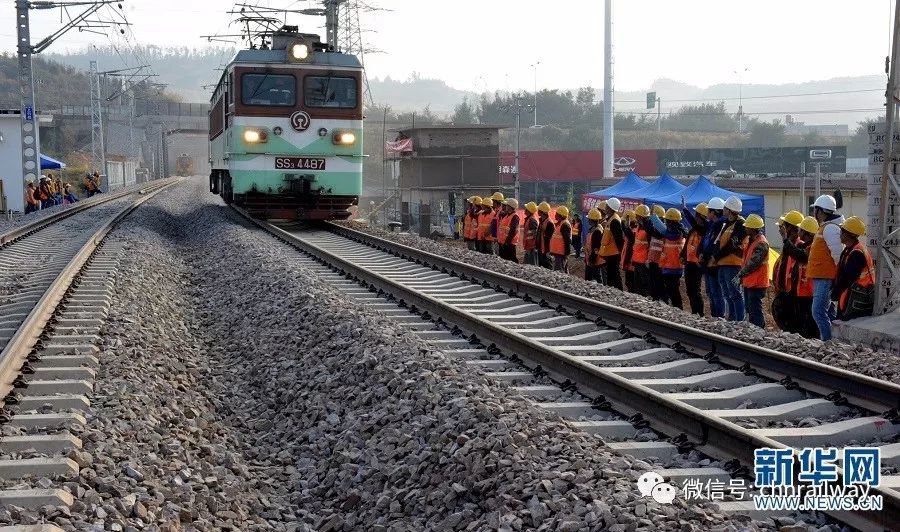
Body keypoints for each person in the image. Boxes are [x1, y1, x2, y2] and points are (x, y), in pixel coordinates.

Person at [807, 194, 845, 340]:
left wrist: (837, 279)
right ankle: (833, 341)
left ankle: (827, 342)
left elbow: (837, 256)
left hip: (825, 277)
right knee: (828, 312)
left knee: (818, 311)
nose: (814, 213)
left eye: (815, 210)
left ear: (821, 211)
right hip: (822, 276)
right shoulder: (826, 227)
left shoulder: (830, 229)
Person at [832, 216, 875, 321]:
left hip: (856, 297)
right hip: (854, 295)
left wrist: (834, 292)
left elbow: (847, 278)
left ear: (849, 234)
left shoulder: (856, 253)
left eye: (842, 230)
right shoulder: (850, 250)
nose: (840, 233)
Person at [771, 211, 805, 333]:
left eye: (784, 226)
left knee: (794, 324)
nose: (781, 230)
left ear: (791, 228)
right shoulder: (788, 246)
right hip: (785, 292)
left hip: (793, 294)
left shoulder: (799, 246)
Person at [714, 196, 747, 322]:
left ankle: (738, 321)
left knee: (735, 294)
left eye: (725, 208)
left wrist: (716, 256)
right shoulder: (728, 223)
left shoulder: (740, 225)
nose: (723, 210)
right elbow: (720, 242)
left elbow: (730, 246)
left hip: (733, 264)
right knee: (727, 294)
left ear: (730, 209)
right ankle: (732, 318)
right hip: (724, 263)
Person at [736, 214, 770, 328]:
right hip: (750, 281)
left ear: (753, 228)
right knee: (751, 308)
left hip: (757, 282)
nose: (745, 228)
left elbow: (753, 263)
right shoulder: (751, 240)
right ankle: (754, 329)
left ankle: (759, 329)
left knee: (755, 309)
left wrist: (740, 274)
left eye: (747, 227)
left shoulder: (761, 243)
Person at [651, 208, 687, 309]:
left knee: (673, 291)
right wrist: (654, 217)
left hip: (673, 267)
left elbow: (663, 230)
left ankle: (678, 309)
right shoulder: (679, 231)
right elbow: (662, 229)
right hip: (670, 266)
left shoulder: (676, 233)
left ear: (670, 221)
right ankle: (676, 308)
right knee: (672, 290)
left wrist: (653, 217)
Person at [700, 197, 727, 318]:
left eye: (709, 210)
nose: (707, 213)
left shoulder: (720, 226)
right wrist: (701, 252)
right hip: (708, 264)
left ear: (714, 212)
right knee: (711, 292)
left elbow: (714, 244)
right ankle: (715, 315)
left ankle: (719, 316)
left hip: (714, 265)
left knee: (716, 292)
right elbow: (706, 241)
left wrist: (705, 255)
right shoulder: (712, 225)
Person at [681, 201, 708, 316]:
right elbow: (688, 243)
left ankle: (700, 313)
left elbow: (698, 225)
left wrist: (686, 212)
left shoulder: (705, 230)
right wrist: (683, 255)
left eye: (697, 214)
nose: (695, 216)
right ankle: (694, 312)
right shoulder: (694, 229)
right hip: (689, 263)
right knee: (689, 290)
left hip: (697, 264)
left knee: (695, 291)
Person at [599, 197, 624, 289]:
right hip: (610, 253)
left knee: (614, 275)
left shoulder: (614, 221)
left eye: (607, 206)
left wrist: (620, 253)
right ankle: (612, 291)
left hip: (614, 254)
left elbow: (619, 239)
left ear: (610, 207)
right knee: (611, 275)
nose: (605, 207)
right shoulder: (611, 219)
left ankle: (618, 292)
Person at [647, 205, 668, 302]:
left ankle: (663, 300)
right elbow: (649, 228)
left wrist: (652, 217)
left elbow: (660, 231)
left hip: (659, 262)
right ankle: (655, 298)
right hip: (653, 260)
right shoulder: (655, 230)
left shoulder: (663, 230)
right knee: (652, 282)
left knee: (659, 283)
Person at [630, 204, 651, 296]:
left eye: (637, 215)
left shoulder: (648, 228)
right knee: (637, 283)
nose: (636, 217)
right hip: (637, 259)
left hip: (644, 261)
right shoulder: (639, 226)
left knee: (644, 284)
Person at [549, 205, 572, 272]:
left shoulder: (565, 225)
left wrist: (566, 254)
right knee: (562, 271)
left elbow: (567, 241)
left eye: (557, 214)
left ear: (561, 216)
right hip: (559, 253)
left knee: (559, 271)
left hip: (561, 253)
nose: (555, 215)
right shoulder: (560, 224)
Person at [584, 208, 604, 282]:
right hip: (590, 258)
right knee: (590, 277)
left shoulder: (597, 231)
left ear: (592, 220)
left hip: (594, 259)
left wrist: (592, 260)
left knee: (596, 277)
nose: (588, 220)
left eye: (589, 219)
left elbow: (596, 248)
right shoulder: (593, 229)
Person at [497, 198, 520, 262]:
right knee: (504, 259)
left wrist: (507, 242)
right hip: (503, 242)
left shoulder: (515, 217)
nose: (505, 207)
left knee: (511, 259)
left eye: (507, 205)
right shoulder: (507, 215)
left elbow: (513, 231)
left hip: (509, 243)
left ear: (510, 206)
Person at [620, 210, 637, 293]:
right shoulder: (632, 230)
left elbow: (628, 233)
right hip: (630, 261)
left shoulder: (633, 231)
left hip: (631, 261)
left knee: (631, 282)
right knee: (629, 281)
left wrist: (625, 224)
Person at [536, 201, 553, 269]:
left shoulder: (549, 223)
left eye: (539, 210)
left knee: (547, 266)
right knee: (541, 266)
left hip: (546, 249)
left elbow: (549, 238)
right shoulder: (541, 221)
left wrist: (547, 251)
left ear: (542, 211)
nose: (537, 211)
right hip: (540, 248)